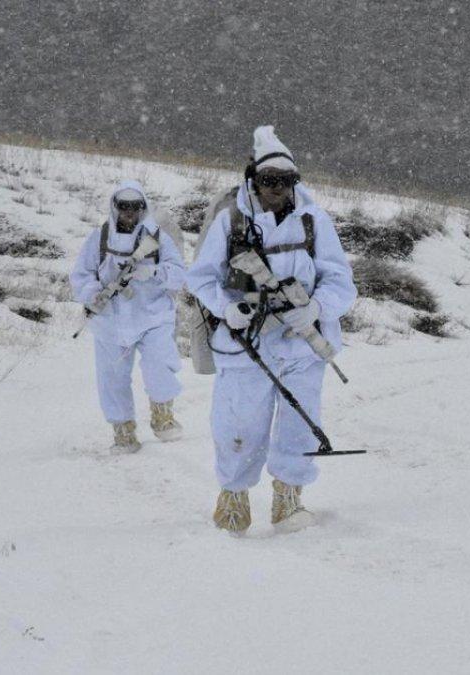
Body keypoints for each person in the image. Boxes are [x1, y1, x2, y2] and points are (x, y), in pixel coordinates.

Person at [186, 126, 356, 535]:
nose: (277, 188)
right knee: (240, 424)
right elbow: (201, 278)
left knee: (300, 421)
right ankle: (233, 498)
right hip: (246, 344)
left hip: (303, 345)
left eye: (286, 179)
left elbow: (340, 281)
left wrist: (316, 307)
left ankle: (288, 499)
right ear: (253, 179)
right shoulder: (230, 222)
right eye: (268, 179)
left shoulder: (314, 221)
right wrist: (227, 309)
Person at [70, 180, 186, 452]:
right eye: (124, 206)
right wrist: (94, 293)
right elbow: (81, 275)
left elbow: (179, 274)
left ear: (143, 207)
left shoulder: (157, 238)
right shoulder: (99, 238)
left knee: (159, 365)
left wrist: (153, 272)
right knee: (112, 377)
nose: (130, 211)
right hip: (110, 320)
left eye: (136, 206)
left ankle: (163, 415)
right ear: (115, 207)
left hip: (152, 315)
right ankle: (123, 430)